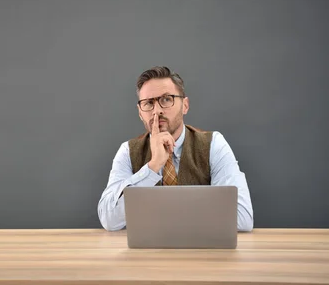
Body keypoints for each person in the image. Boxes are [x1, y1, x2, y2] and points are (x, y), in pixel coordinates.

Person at [97, 66, 253, 232]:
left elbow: (242, 218)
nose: (157, 110)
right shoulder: (128, 151)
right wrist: (153, 167)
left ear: (185, 105)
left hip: (200, 254)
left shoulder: (214, 144)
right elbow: (109, 220)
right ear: (140, 113)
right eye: (148, 103)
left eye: (166, 99)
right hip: (146, 255)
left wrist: (165, 217)